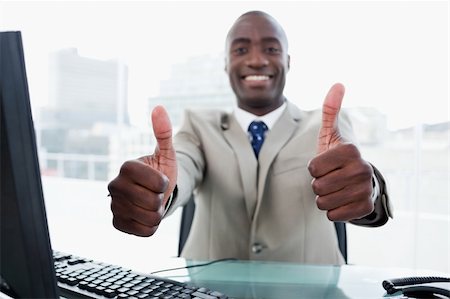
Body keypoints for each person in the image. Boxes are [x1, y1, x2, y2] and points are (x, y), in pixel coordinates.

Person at [108, 10, 392, 265]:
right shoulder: (198, 125)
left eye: (271, 48)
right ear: (226, 64)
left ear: (288, 61)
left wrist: (368, 187)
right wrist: (158, 190)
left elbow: (355, 175)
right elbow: (181, 163)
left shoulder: (325, 125)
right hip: (207, 291)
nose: (256, 60)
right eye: (241, 49)